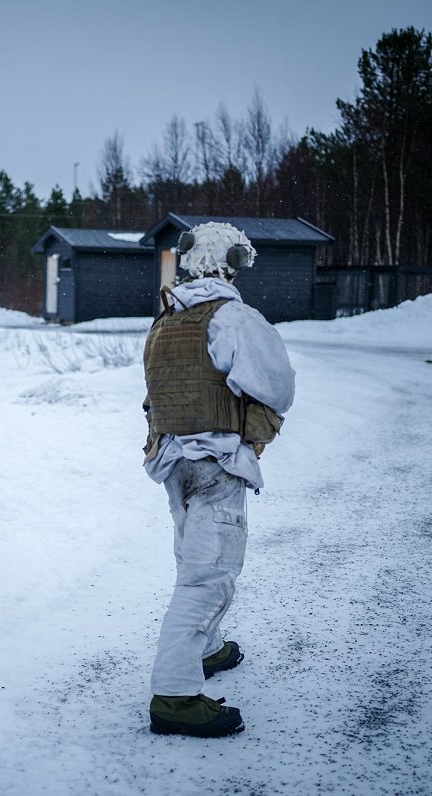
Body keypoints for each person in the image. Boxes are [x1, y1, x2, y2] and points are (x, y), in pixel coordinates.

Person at [141, 222, 295, 738]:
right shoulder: (234, 317)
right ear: (232, 263)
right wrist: (253, 437)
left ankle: (207, 650)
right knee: (207, 578)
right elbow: (276, 385)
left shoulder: (166, 317)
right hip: (215, 462)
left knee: (194, 558)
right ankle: (175, 696)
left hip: (175, 463)